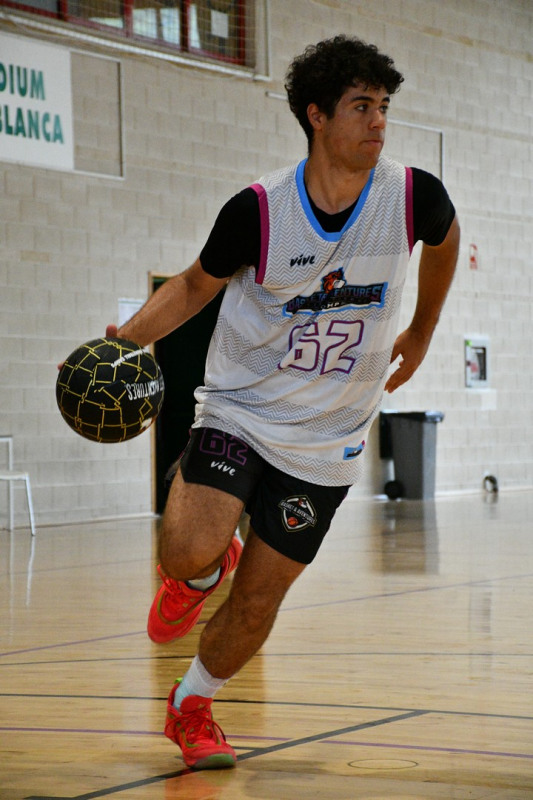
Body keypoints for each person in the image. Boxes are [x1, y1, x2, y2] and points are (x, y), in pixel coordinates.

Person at [106, 35, 460, 770]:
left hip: (328, 440)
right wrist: (123, 344)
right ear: (316, 116)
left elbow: (446, 237)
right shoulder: (260, 211)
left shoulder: (411, 196)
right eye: (360, 106)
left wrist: (423, 329)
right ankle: (202, 571)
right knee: (186, 550)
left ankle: (191, 707)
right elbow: (193, 285)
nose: (378, 121)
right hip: (242, 409)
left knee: (259, 602)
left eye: (383, 106)